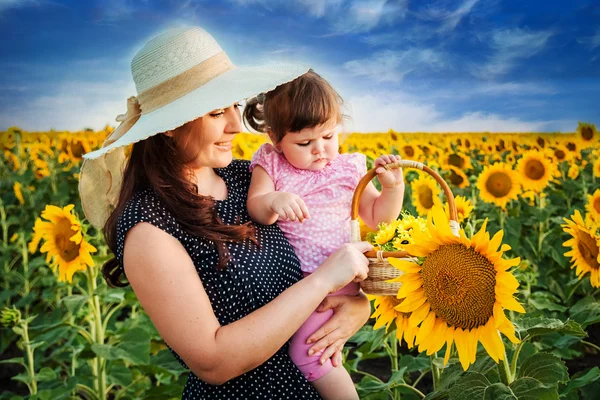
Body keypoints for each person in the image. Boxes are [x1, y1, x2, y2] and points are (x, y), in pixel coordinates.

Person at [78, 27, 373, 399]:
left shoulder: (244, 178)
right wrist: (322, 283)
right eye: (218, 111)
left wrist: (356, 306)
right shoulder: (149, 226)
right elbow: (213, 361)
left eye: (234, 105)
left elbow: (324, 237)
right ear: (169, 126)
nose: (236, 124)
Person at [244, 71, 405, 399]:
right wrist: (274, 200)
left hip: (342, 276)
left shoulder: (348, 168)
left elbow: (377, 217)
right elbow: (255, 207)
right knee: (321, 351)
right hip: (298, 284)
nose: (320, 150)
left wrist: (394, 187)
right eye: (304, 143)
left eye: (329, 137)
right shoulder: (272, 164)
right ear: (276, 138)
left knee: (307, 353)